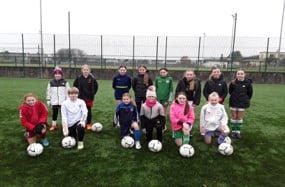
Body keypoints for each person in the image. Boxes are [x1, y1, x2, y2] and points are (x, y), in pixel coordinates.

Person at [229, 69, 253, 139]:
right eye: (238, 74)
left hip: (242, 102)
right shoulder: (233, 83)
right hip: (233, 102)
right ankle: (233, 131)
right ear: (236, 75)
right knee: (234, 116)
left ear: (244, 75)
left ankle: (238, 132)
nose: (240, 75)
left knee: (239, 117)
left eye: (241, 74)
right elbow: (230, 92)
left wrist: (245, 99)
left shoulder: (248, 83)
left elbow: (250, 93)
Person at [73, 64, 98, 130]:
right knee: (80, 111)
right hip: (80, 98)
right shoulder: (78, 78)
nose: (85, 71)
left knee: (88, 111)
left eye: (87, 70)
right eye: (84, 70)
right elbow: (74, 86)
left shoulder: (92, 78)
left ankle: (88, 124)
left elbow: (96, 86)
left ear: (89, 70)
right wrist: (76, 95)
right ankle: (81, 122)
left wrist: (92, 93)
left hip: (89, 98)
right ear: (82, 70)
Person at [46, 66, 70, 131]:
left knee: (63, 114)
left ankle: (64, 125)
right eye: (56, 74)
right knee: (54, 113)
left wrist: (67, 101)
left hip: (63, 102)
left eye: (59, 74)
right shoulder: (51, 82)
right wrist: (48, 99)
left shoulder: (65, 82)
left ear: (61, 75)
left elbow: (68, 92)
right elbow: (48, 92)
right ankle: (54, 125)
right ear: (54, 75)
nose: (57, 75)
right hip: (54, 101)